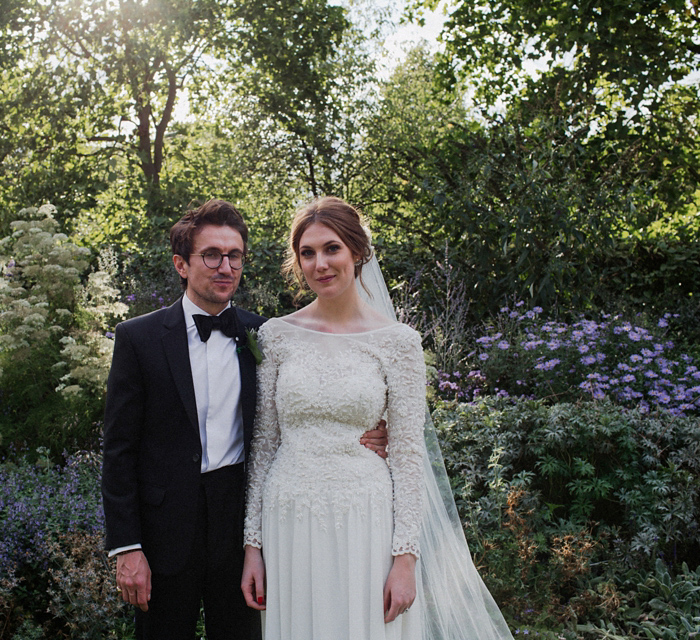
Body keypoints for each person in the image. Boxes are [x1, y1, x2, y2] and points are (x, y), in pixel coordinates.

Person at [101, 199, 388, 640]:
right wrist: (128, 547)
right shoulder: (137, 339)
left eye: (234, 255)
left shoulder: (266, 336)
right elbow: (118, 451)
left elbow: (307, 400)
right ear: (182, 264)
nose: (225, 267)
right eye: (211, 255)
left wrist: (368, 434)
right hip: (163, 533)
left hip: (242, 531)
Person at [240, 196, 514, 640]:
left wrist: (406, 557)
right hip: (287, 516)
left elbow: (407, 454)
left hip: (364, 516)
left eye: (332, 249)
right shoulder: (276, 336)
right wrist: (252, 547)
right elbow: (264, 446)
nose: (320, 264)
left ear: (358, 252)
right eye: (307, 253)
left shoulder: (398, 342)